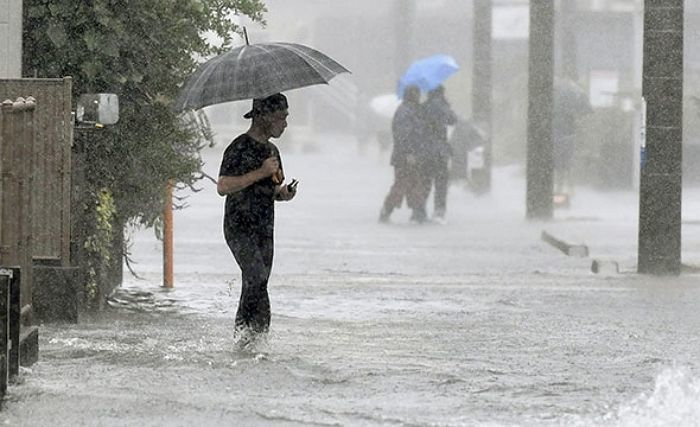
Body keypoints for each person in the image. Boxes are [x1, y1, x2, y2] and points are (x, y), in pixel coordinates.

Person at [217, 93, 297, 345]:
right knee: (256, 277)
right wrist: (259, 172)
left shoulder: (272, 151)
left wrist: (284, 194)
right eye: (280, 117)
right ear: (263, 117)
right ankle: (247, 337)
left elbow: (273, 189)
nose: (284, 123)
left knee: (257, 283)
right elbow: (223, 186)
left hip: (264, 227)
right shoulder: (239, 147)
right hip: (239, 226)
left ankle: (250, 342)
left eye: (286, 118)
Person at [379, 85, 427, 223]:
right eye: (417, 94)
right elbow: (404, 135)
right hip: (405, 156)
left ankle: (417, 212)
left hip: (404, 155)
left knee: (411, 183)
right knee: (404, 184)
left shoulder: (408, 110)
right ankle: (390, 210)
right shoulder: (406, 112)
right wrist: (410, 152)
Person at [421, 85, 457, 223]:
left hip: (425, 151)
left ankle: (421, 210)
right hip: (440, 152)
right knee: (441, 183)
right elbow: (453, 120)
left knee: (425, 182)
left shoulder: (423, 107)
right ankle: (439, 212)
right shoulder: (443, 107)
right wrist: (447, 105)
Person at [552, 79, 592, 198]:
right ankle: (567, 188)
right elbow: (585, 112)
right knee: (567, 164)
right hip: (567, 136)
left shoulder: (559, 103)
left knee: (562, 164)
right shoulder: (571, 100)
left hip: (562, 136)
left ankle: (561, 188)